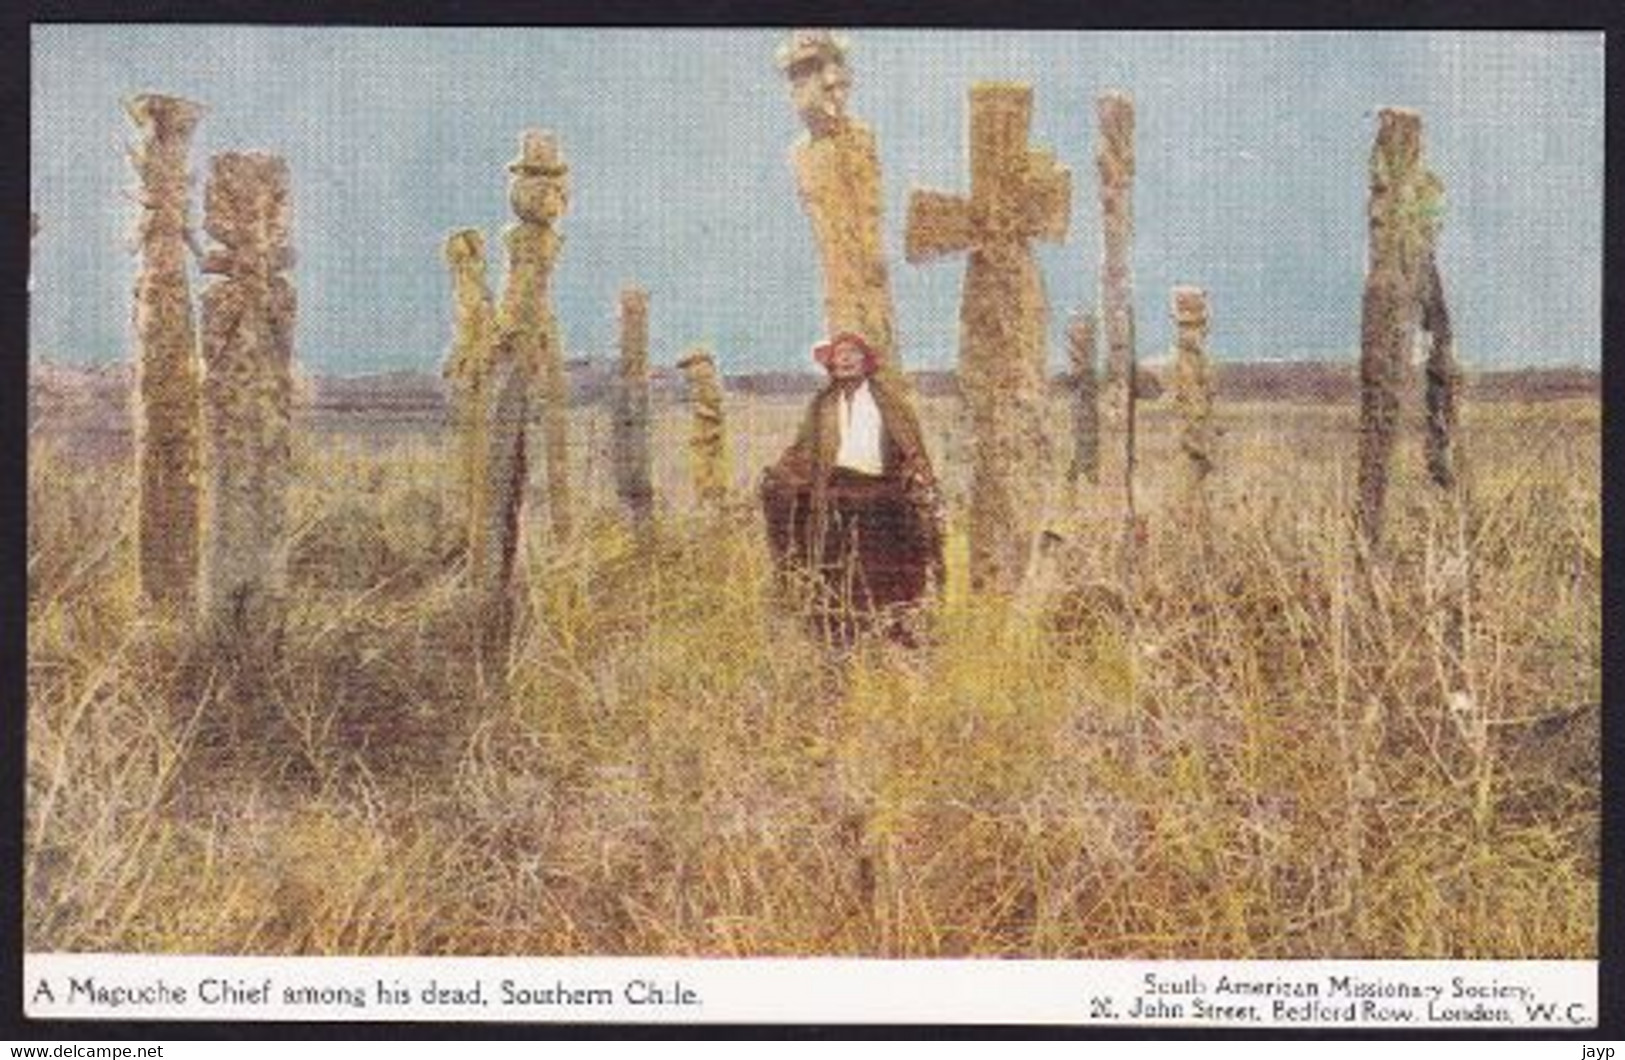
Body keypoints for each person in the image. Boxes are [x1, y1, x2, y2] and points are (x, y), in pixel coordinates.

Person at [760, 332, 944, 641]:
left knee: (883, 569)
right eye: (838, 354)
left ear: (866, 362)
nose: (844, 359)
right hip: (835, 495)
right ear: (831, 364)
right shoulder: (822, 406)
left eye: (852, 353)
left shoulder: (889, 403)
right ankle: (842, 632)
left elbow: (910, 447)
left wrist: (921, 480)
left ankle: (891, 630)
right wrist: (780, 475)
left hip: (882, 496)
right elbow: (803, 450)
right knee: (837, 567)